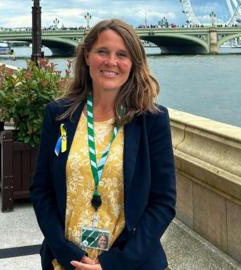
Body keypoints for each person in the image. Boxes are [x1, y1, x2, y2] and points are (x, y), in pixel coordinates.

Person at [31, 19, 176, 270]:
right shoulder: (59, 115)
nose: (111, 62)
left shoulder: (151, 120)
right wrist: (67, 255)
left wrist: (114, 264)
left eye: (122, 55)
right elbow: (41, 190)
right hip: (66, 262)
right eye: (102, 52)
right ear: (87, 56)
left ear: (133, 63)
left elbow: (163, 202)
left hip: (131, 263)